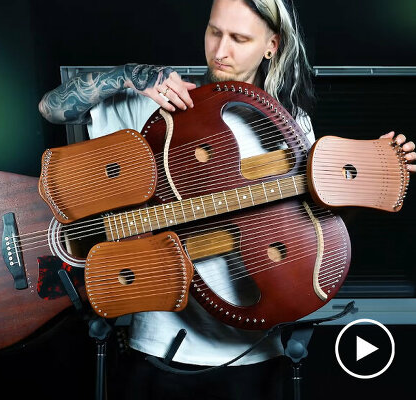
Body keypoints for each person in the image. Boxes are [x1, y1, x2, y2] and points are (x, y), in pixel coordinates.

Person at [39, 1, 415, 398]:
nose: (221, 51)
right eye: (214, 32)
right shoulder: (158, 105)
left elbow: (317, 230)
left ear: (272, 45)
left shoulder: (290, 127)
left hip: (254, 354)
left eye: (239, 38)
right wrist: (132, 77)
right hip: (158, 350)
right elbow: (52, 108)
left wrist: (370, 181)